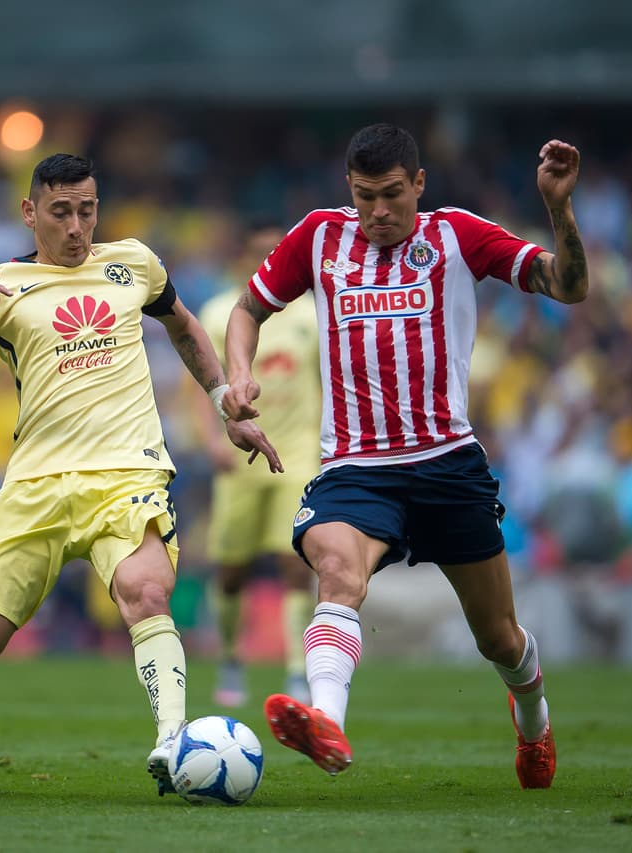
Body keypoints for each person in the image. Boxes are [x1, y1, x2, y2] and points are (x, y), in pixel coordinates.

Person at [0, 154, 279, 799]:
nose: (76, 226)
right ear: (29, 212)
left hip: (128, 472)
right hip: (36, 484)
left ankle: (174, 741)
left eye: (86, 209)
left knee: (148, 592)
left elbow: (182, 326)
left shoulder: (135, 264)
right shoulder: (1, 286)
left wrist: (222, 398)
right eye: (60, 211)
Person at [222, 124, 587, 789]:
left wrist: (559, 210)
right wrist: (236, 378)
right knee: (337, 570)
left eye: (393, 195)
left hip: (448, 465)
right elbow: (246, 309)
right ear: (349, 191)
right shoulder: (318, 239)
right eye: (365, 197)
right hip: (356, 469)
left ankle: (533, 716)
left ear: (419, 183)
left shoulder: (458, 235)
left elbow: (566, 285)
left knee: (500, 638)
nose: (379, 212)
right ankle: (325, 717)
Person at [196, 220, 319, 707]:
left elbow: (327, 382)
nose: (269, 259)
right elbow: (197, 383)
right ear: (245, 256)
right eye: (260, 251)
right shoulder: (219, 312)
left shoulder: (311, 313)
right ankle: (230, 658)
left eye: (277, 251)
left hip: (298, 457)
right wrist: (210, 438)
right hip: (238, 459)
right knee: (231, 571)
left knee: (295, 565)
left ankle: (295, 671)